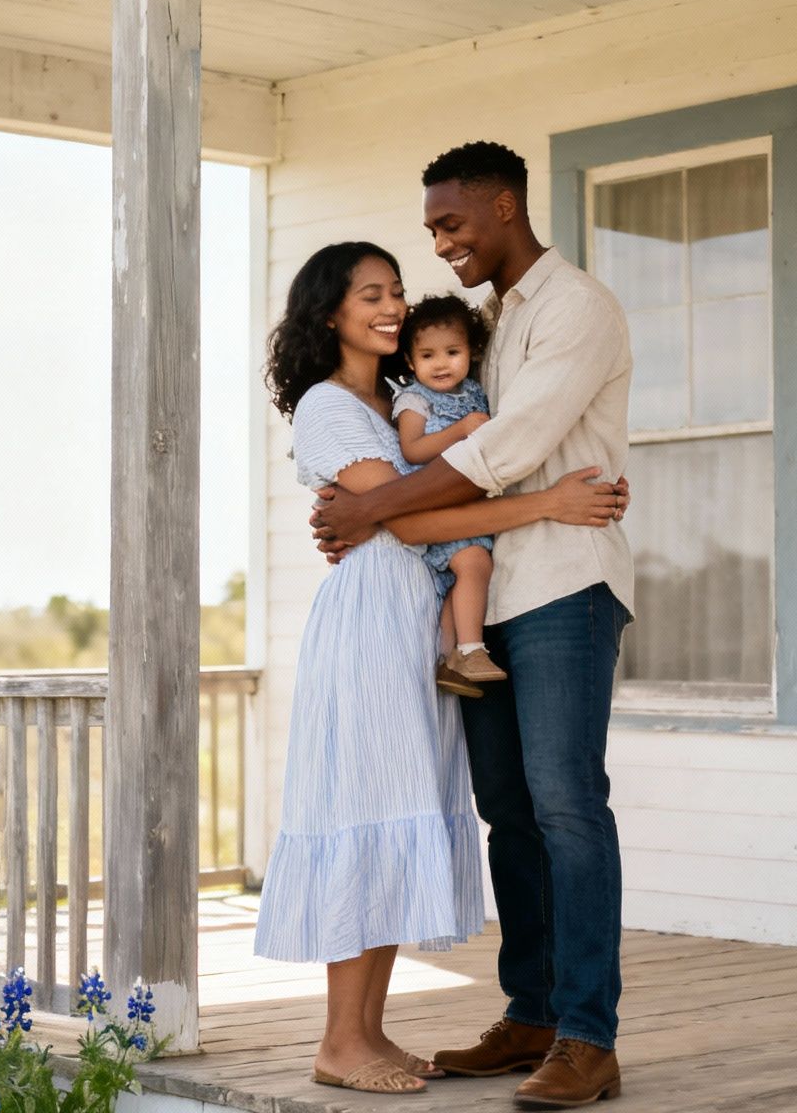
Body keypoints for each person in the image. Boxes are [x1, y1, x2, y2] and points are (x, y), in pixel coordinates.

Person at [252, 240, 622, 1098]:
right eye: (368, 295)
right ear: (329, 313)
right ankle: (340, 1040)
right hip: (371, 625)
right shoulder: (327, 408)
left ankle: (366, 1032)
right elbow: (416, 523)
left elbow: (424, 497)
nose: (390, 307)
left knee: (395, 815)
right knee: (366, 811)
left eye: (394, 292)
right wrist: (553, 502)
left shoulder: (397, 398)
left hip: (414, 627)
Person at [390, 294, 503, 698]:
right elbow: (412, 449)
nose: (441, 364)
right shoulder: (415, 399)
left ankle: (449, 656)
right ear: (410, 360)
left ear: (470, 353)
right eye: (428, 355)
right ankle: (472, 650)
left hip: (468, 501)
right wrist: (460, 430)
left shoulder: (473, 392)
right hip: (437, 500)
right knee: (474, 563)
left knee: (462, 577)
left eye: (452, 352)